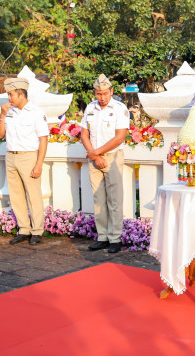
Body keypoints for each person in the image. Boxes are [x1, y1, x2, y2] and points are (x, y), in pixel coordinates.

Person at [0, 78, 49, 245]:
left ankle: (37, 231)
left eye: (11, 95)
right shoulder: (9, 112)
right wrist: (2, 115)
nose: (9, 98)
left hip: (29, 156)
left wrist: (39, 163)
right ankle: (24, 230)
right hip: (11, 156)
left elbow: (44, 139)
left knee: (33, 195)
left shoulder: (35, 112)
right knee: (16, 195)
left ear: (21, 94)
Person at [80, 74, 130, 254]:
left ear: (112, 92)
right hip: (95, 158)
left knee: (114, 199)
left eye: (105, 94)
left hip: (112, 157)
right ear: (94, 92)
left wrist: (96, 153)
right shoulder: (90, 108)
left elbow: (120, 137)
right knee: (98, 199)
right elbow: (84, 135)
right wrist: (94, 156)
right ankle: (102, 237)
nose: (102, 98)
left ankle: (115, 238)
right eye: (99, 94)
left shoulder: (119, 108)